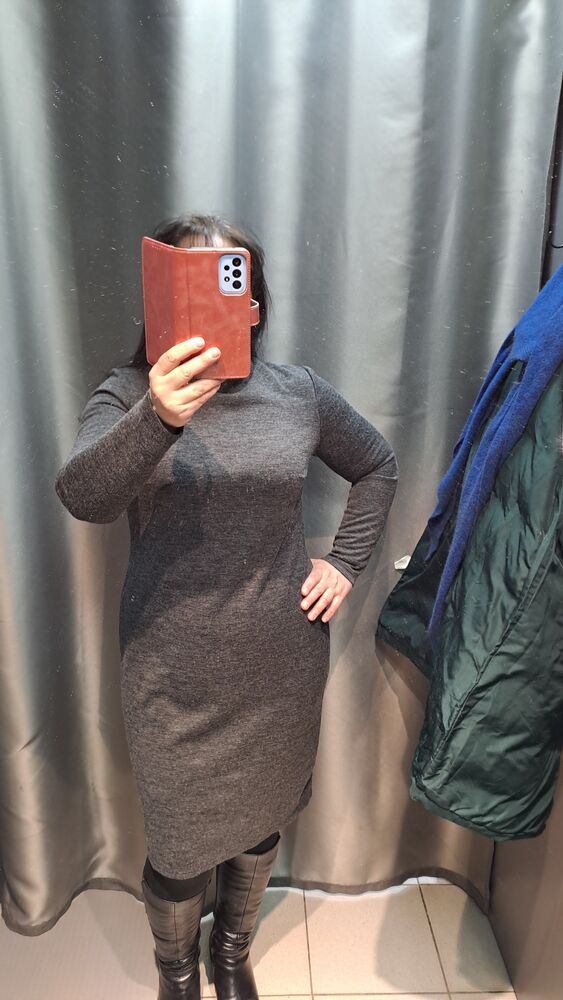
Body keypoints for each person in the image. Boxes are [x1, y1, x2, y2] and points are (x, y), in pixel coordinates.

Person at [54, 213, 399, 1000]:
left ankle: (232, 951)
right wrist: (159, 416)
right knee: (178, 850)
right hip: (171, 673)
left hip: (279, 662)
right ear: (159, 299)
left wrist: (345, 562)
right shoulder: (128, 394)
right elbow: (83, 497)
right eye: (189, 280)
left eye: (229, 279)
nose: (212, 297)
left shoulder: (296, 392)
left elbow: (376, 465)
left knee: (259, 823)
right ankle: (176, 967)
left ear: (251, 302)